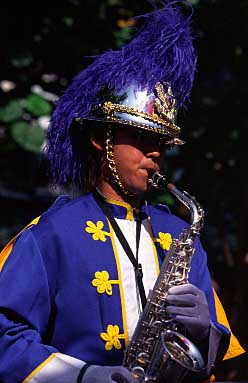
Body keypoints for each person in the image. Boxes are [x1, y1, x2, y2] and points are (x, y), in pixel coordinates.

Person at [0, 1, 245, 382]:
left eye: (162, 143)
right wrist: (84, 376)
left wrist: (205, 331)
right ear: (102, 139)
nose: (155, 153)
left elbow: (211, 355)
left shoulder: (182, 234)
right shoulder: (50, 235)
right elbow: (4, 338)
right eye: (143, 138)